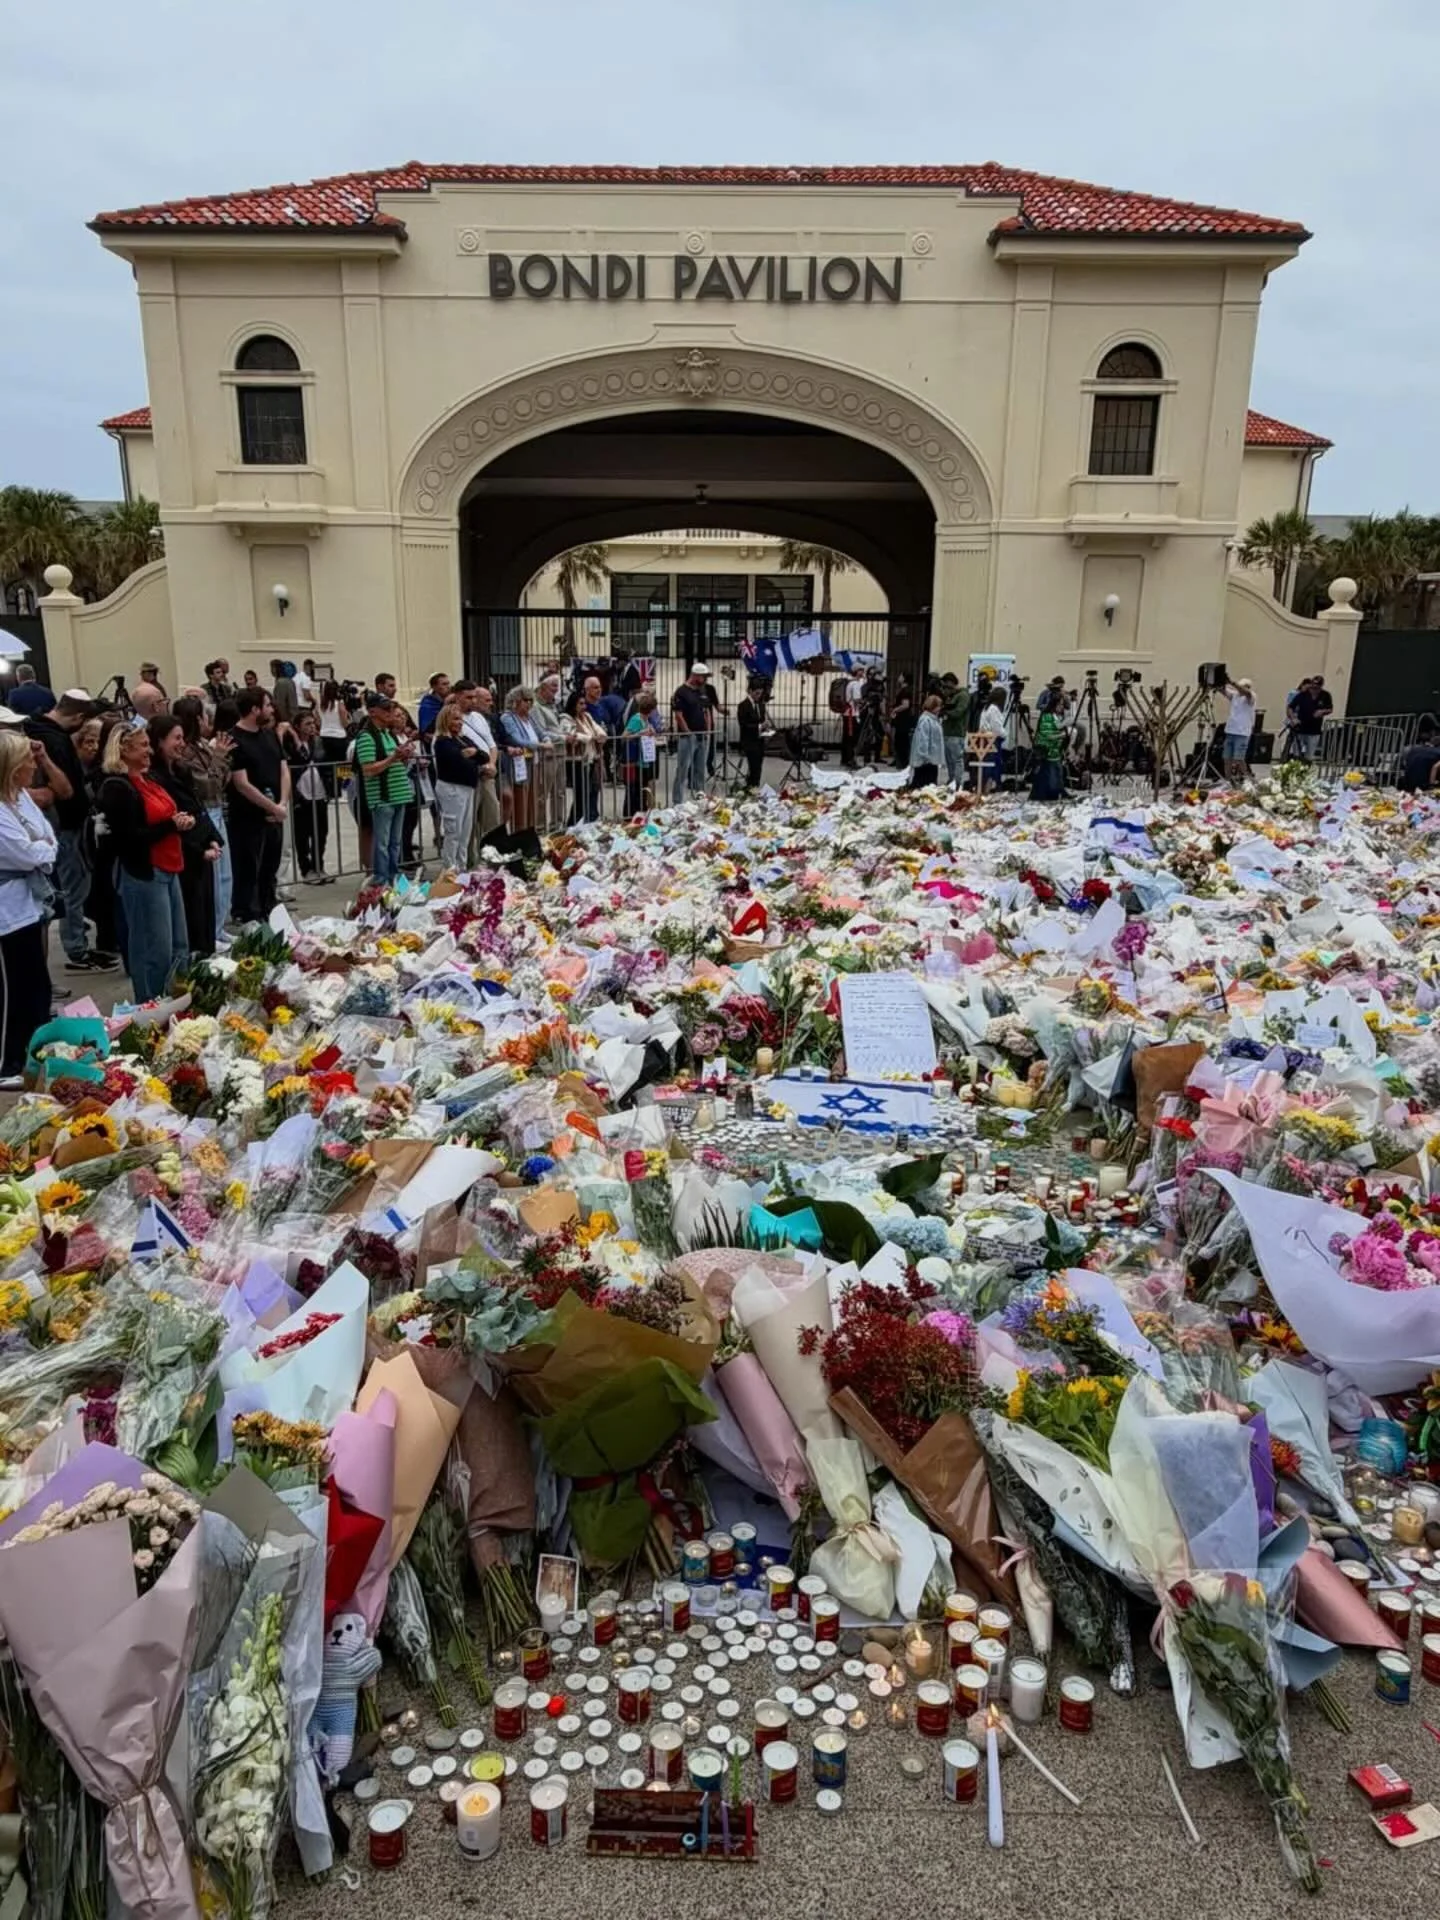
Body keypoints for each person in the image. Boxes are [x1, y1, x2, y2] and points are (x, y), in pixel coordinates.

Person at [98, 720, 192, 1000]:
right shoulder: (117, 787)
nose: (149, 751)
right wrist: (171, 825)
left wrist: (179, 822)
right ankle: (152, 1006)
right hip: (144, 874)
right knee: (154, 950)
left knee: (178, 945)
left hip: (168, 869)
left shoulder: (147, 780)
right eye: (143, 746)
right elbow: (130, 837)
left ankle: (177, 1002)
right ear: (124, 750)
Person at [24, 690, 112, 972]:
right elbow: (64, 789)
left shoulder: (42, 729)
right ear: (77, 717)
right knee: (75, 889)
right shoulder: (53, 739)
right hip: (67, 825)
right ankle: (77, 947)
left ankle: (78, 943)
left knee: (74, 888)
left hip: (66, 824)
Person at [0, 731, 58, 1084]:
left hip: (31, 902)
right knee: (17, 986)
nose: (34, 764)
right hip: (8, 908)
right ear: (12, 766)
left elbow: (46, 835)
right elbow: (25, 853)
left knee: (38, 982)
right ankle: (11, 1062)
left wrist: (42, 846)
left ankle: (35, 1054)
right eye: (28, 759)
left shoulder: (20, 798)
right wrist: (42, 847)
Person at [148, 715, 223, 956]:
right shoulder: (157, 778)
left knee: (205, 915)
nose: (181, 744)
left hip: (202, 850)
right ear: (160, 741)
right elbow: (175, 819)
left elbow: (198, 809)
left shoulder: (181, 771)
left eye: (182, 737)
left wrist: (212, 838)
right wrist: (200, 850)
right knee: (191, 920)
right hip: (185, 856)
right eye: (176, 738)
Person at [171, 696, 233, 938]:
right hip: (205, 809)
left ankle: (220, 926)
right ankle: (211, 929)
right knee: (214, 876)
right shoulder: (187, 751)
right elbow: (207, 785)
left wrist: (219, 760)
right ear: (197, 718)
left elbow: (221, 779)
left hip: (217, 807)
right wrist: (218, 759)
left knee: (225, 874)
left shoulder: (203, 745)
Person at [228, 689, 288, 922]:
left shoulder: (270, 735)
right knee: (249, 870)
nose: (272, 709)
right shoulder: (235, 739)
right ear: (254, 709)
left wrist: (281, 803)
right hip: (248, 818)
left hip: (275, 815)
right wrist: (271, 807)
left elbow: (283, 769)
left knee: (269, 870)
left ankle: (269, 910)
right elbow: (241, 783)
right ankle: (247, 915)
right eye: (267, 705)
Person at [354, 697, 413, 885]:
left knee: (395, 842)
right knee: (382, 843)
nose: (390, 712)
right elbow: (368, 769)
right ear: (372, 712)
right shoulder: (366, 737)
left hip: (398, 795)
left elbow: (393, 762)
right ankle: (381, 879)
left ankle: (393, 876)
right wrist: (394, 758)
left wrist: (402, 756)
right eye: (385, 709)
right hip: (382, 797)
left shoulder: (388, 734)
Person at [283, 709, 330, 881]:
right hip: (300, 792)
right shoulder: (290, 745)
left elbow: (322, 760)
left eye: (313, 723)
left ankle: (319, 866)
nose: (312, 727)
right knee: (303, 834)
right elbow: (300, 759)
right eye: (307, 724)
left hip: (319, 791)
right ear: (297, 726)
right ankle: (306, 868)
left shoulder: (317, 742)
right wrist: (296, 740)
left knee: (321, 832)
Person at [455, 681, 502, 853]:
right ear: (457, 696)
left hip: (487, 775)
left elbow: (492, 745)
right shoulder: (452, 717)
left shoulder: (479, 718)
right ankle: (469, 862)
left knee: (492, 819)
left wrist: (491, 764)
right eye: (468, 697)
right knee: (469, 825)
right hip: (469, 777)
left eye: (475, 697)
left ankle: (492, 858)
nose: (473, 701)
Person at [432, 701, 480, 868]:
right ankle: (450, 868)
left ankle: (462, 866)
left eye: (460, 719)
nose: (459, 723)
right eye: (454, 719)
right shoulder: (442, 742)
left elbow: (483, 756)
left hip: (468, 788)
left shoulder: (463, 739)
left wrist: (473, 753)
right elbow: (457, 760)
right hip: (452, 788)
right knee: (454, 831)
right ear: (446, 720)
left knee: (465, 832)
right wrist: (471, 757)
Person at [498, 686, 543, 834]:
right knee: (520, 801)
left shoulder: (529, 717)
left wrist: (547, 739)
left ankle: (530, 831)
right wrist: (540, 745)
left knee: (531, 800)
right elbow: (517, 739)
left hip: (532, 760)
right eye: (525, 700)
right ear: (515, 701)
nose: (529, 704)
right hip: (517, 762)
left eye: (531, 700)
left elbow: (541, 732)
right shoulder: (508, 717)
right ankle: (519, 833)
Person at [565, 679, 607, 824]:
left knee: (590, 792)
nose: (584, 707)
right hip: (576, 762)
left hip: (591, 759)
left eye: (584, 704)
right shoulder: (566, 718)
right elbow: (572, 735)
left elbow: (599, 729)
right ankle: (571, 823)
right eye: (580, 704)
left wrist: (600, 735)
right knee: (581, 795)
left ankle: (584, 821)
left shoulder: (587, 717)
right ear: (573, 705)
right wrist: (590, 737)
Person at [671, 663, 713, 804]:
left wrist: (708, 731)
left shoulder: (702, 692)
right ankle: (678, 801)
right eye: (703, 676)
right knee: (683, 769)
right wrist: (688, 732)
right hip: (688, 737)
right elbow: (678, 714)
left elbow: (707, 711)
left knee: (700, 770)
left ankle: (699, 798)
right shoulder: (681, 692)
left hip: (702, 736)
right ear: (695, 675)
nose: (705, 679)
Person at [622, 688, 665, 812]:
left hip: (645, 759)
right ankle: (631, 814)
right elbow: (624, 736)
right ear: (651, 709)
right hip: (635, 759)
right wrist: (640, 733)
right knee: (634, 789)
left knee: (643, 788)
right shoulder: (636, 719)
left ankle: (642, 811)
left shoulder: (646, 720)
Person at [1221, 677, 1257, 784]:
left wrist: (1232, 682)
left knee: (1239, 759)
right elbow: (1224, 691)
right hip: (1231, 730)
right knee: (1226, 758)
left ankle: (1248, 779)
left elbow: (1246, 693)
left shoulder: (1251, 696)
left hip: (1242, 732)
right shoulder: (1235, 696)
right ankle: (1228, 781)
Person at [736, 678, 769, 790]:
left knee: (759, 766)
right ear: (750, 691)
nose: (758, 696)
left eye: (760, 693)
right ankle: (752, 787)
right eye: (756, 693)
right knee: (754, 766)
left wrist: (765, 728)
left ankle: (755, 786)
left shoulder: (761, 705)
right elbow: (744, 724)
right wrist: (759, 726)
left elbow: (762, 720)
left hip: (760, 740)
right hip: (749, 741)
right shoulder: (743, 706)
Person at [908, 693, 945, 788]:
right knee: (923, 784)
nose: (940, 708)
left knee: (930, 784)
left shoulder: (933, 719)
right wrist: (925, 756)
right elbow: (923, 739)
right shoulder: (926, 720)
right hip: (926, 760)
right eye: (938, 706)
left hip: (932, 759)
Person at [1030, 703, 1066, 801]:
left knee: (1057, 771)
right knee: (1050, 773)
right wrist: (1061, 735)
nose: (1062, 707)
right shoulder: (1047, 717)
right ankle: (1051, 792)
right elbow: (1048, 735)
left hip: (1054, 750)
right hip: (1047, 750)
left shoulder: (1056, 717)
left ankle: (1059, 791)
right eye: (1060, 704)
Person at [939, 674, 968, 786]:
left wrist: (946, 712)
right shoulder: (951, 696)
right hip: (947, 731)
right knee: (949, 761)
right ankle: (951, 779)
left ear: (951, 682)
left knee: (957, 760)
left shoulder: (962, 696)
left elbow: (959, 712)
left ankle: (957, 781)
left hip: (956, 733)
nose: (944, 688)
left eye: (946, 685)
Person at [1399, 722, 1440, 793]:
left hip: (1407, 784)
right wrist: (1432, 786)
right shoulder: (1437, 752)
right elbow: (1435, 767)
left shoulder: (1413, 749)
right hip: (1423, 786)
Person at [1290, 677, 1324, 760]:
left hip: (1314, 730)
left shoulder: (1324, 696)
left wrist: (1322, 711)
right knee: (1296, 753)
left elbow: (1329, 708)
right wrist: (1293, 718)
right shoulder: (1302, 695)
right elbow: (1290, 707)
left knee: (1309, 755)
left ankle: (1306, 769)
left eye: (1317, 685)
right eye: (1313, 684)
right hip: (1300, 728)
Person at [890, 678, 914, 769]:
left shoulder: (905, 691)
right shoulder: (903, 691)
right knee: (900, 741)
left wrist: (895, 710)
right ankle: (900, 761)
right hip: (901, 720)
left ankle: (903, 763)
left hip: (903, 720)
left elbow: (905, 705)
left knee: (901, 741)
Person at [418, 672, 451, 737]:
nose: (448, 687)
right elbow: (427, 729)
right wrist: (445, 705)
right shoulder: (427, 705)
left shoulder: (451, 700)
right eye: (444, 684)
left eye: (448, 683)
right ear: (434, 687)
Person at [270, 660, 299, 727]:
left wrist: (283, 720)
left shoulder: (281, 682)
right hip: (292, 716)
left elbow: (280, 704)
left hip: (287, 719)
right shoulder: (290, 681)